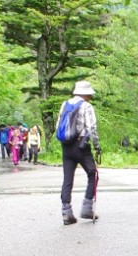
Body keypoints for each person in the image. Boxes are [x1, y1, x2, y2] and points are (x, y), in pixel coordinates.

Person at [57, 80, 101, 225]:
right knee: (92, 173)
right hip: (81, 145)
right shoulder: (86, 106)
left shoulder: (65, 104)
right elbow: (91, 128)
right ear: (86, 94)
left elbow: (59, 125)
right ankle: (87, 208)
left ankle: (66, 213)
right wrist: (96, 146)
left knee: (67, 178)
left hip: (66, 146)